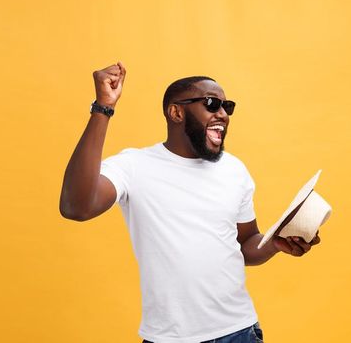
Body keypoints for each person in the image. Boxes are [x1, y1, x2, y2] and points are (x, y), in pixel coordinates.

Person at [59, 62, 321, 343]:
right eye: (211, 103)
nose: (222, 114)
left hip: (239, 332)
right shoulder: (134, 165)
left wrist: (275, 243)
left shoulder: (234, 170)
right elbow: (77, 206)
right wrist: (103, 108)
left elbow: (245, 244)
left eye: (227, 106)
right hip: (168, 338)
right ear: (176, 112)